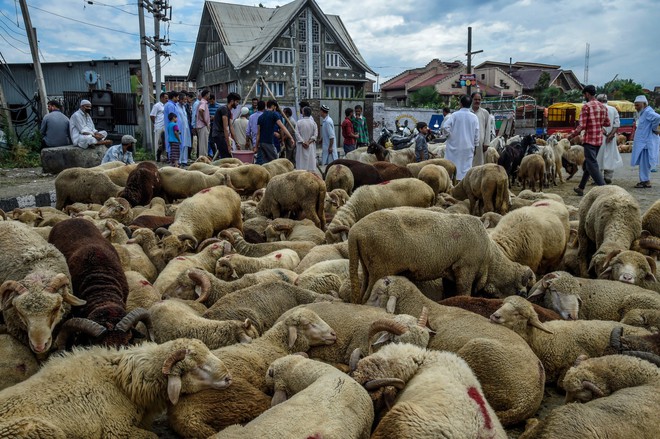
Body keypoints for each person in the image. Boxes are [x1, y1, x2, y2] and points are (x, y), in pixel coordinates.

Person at [567, 85, 610, 196]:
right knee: (589, 163)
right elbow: (607, 123)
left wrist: (571, 136)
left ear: (587, 94)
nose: (584, 97)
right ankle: (581, 187)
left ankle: (605, 189)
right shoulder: (603, 106)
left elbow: (582, 126)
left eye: (584, 95)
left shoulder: (586, 106)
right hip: (599, 139)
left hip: (589, 139)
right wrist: (598, 121)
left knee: (592, 164)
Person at [444, 95, 479, 180]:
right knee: (465, 169)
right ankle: (462, 187)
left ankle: (452, 186)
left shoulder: (454, 115)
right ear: (470, 104)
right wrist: (475, 146)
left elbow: (445, 127)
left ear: (460, 104)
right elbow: (477, 134)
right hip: (468, 147)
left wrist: (450, 136)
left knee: (452, 167)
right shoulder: (474, 117)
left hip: (454, 147)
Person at [631, 95, 660, 189]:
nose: (636, 107)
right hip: (643, 143)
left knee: (644, 163)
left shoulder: (648, 112)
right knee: (644, 163)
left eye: (637, 105)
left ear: (644, 104)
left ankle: (645, 181)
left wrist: (654, 128)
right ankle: (644, 180)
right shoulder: (643, 113)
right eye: (635, 105)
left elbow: (657, 117)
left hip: (646, 143)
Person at [595, 94, 622, 184]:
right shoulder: (613, 109)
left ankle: (598, 177)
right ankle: (608, 176)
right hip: (611, 137)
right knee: (610, 155)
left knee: (598, 156)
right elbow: (617, 124)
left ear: (598, 100)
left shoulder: (597, 109)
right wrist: (611, 134)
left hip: (599, 136)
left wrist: (605, 133)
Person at [255, 99, 291, 164]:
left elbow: (258, 134)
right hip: (269, 143)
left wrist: (256, 146)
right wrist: (290, 137)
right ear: (273, 106)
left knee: (261, 162)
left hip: (261, 143)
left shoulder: (260, 117)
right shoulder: (274, 114)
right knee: (275, 163)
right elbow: (282, 127)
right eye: (275, 106)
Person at [212, 92, 241, 159]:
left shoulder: (229, 112)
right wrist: (228, 145)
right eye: (237, 102)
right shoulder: (224, 109)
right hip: (218, 135)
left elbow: (231, 128)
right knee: (226, 156)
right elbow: (226, 128)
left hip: (221, 135)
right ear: (231, 101)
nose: (237, 104)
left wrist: (237, 143)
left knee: (226, 156)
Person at [470, 92, 492, 166]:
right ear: (471, 100)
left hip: (480, 143)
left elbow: (488, 128)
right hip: (468, 142)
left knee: (479, 163)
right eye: (475, 99)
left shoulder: (485, 113)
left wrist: (486, 143)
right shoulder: (467, 112)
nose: (477, 101)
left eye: (479, 99)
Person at [295, 106, 318, 171]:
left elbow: (296, 133)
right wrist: (308, 142)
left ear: (303, 113)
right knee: (311, 164)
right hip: (310, 146)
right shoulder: (313, 123)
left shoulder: (299, 122)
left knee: (301, 164)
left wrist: (303, 142)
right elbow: (315, 135)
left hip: (301, 146)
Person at [162, 91, 179, 162]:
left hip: (171, 127)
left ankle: (172, 159)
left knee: (171, 144)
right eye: (177, 97)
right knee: (173, 145)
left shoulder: (171, 104)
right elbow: (172, 116)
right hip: (172, 128)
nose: (178, 99)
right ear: (174, 97)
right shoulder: (170, 105)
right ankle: (172, 160)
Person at [150, 92, 167, 160]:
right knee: (158, 142)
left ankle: (164, 156)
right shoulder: (157, 106)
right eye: (165, 98)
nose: (167, 99)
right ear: (161, 98)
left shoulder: (166, 105)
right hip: (159, 126)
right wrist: (155, 123)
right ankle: (157, 157)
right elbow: (152, 115)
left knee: (164, 142)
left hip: (165, 126)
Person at [176, 92, 192, 166]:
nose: (186, 100)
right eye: (185, 99)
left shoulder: (184, 107)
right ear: (180, 99)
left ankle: (184, 160)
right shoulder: (176, 107)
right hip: (180, 128)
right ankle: (179, 160)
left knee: (185, 144)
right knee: (180, 144)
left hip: (185, 128)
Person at [195, 90, 210, 159]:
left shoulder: (202, 102)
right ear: (206, 95)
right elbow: (201, 110)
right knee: (203, 144)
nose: (209, 96)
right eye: (208, 95)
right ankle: (203, 159)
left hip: (201, 125)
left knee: (203, 143)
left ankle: (203, 158)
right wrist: (204, 120)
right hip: (203, 125)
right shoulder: (203, 102)